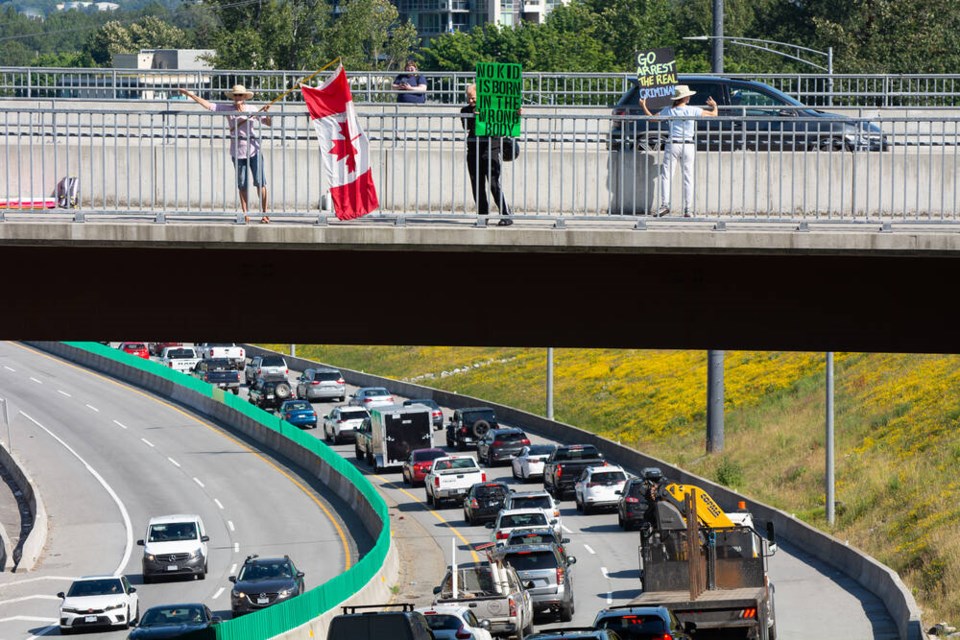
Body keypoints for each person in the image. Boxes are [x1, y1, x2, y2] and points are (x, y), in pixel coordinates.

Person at [178, 84, 273, 223]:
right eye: (235, 95)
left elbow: (268, 123)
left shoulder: (252, 109)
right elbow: (208, 105)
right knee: (242, 184)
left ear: (245, 97)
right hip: (237, 151)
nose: (238, 97)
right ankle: (245, 214)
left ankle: (265, 214)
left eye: (240, 95)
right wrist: (190, 94)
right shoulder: (228, 109)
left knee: (260, 182)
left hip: (254, 149)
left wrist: (267, 113)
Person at [640, 85, 718, 217]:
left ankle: (665, 205)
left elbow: (652, 118)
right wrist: (714, 106)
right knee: (688, 177)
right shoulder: (693, 110)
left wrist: (643, 105)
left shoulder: (669, 110)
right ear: (686, 97)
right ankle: (688, 209)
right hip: (688, 144)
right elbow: (714, 115)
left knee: (667, 175)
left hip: (673, 143)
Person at [460, 84, 513, 226]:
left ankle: (505, 214)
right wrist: (475, 114)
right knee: (477, 186)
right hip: (473, 151)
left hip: (491, 150)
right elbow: (466, 126)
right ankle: (482, 216)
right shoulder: (465, 110)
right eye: (469, 98)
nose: (471, 101)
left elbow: (505, 123)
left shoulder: (494, 109)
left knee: (494, 184)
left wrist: (517, 113)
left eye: (474, 98)